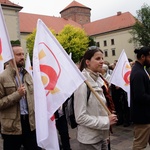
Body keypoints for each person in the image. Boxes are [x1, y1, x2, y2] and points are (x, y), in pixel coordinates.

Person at [74, 46, 117, 150]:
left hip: (102, 136)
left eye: (102, 58)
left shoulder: (99, 79)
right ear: (88, 62)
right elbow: (80, 117)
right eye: (98, 59)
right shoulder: (83, 84)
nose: (102, 61)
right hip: (90, 141)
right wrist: (106, 121)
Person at [0, 44, 41, 150]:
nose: (22, 57)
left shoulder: (28, 75)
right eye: (18, 54)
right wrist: (17, 95)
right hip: (12, 127)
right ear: (10, 57)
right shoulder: (3, 77)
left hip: (29, 124)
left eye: (23, 54)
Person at [130, 47, 150, 150]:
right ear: (143, 57)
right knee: (139, 145)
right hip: (142, 117)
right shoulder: (138, 72)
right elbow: (139, 96)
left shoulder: (141, 70)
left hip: (146, 115)